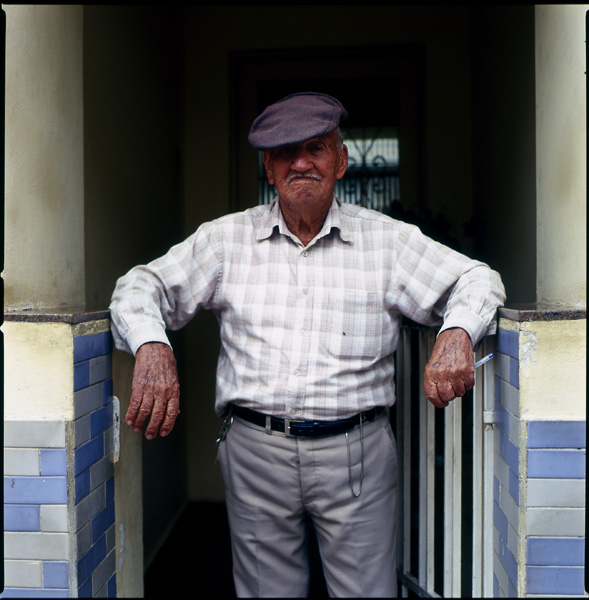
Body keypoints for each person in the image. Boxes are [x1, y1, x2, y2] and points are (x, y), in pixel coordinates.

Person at [110, 92, 506, 598]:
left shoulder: (386, 241)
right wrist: (151, 345)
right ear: (268, 168)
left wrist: (456, 332)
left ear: (340, 160)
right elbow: (139, 286)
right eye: (284, 152)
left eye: (315, 148)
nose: (300, 163)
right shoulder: (225, 240)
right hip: (256, 451)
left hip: (357, 453)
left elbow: (478, 279)